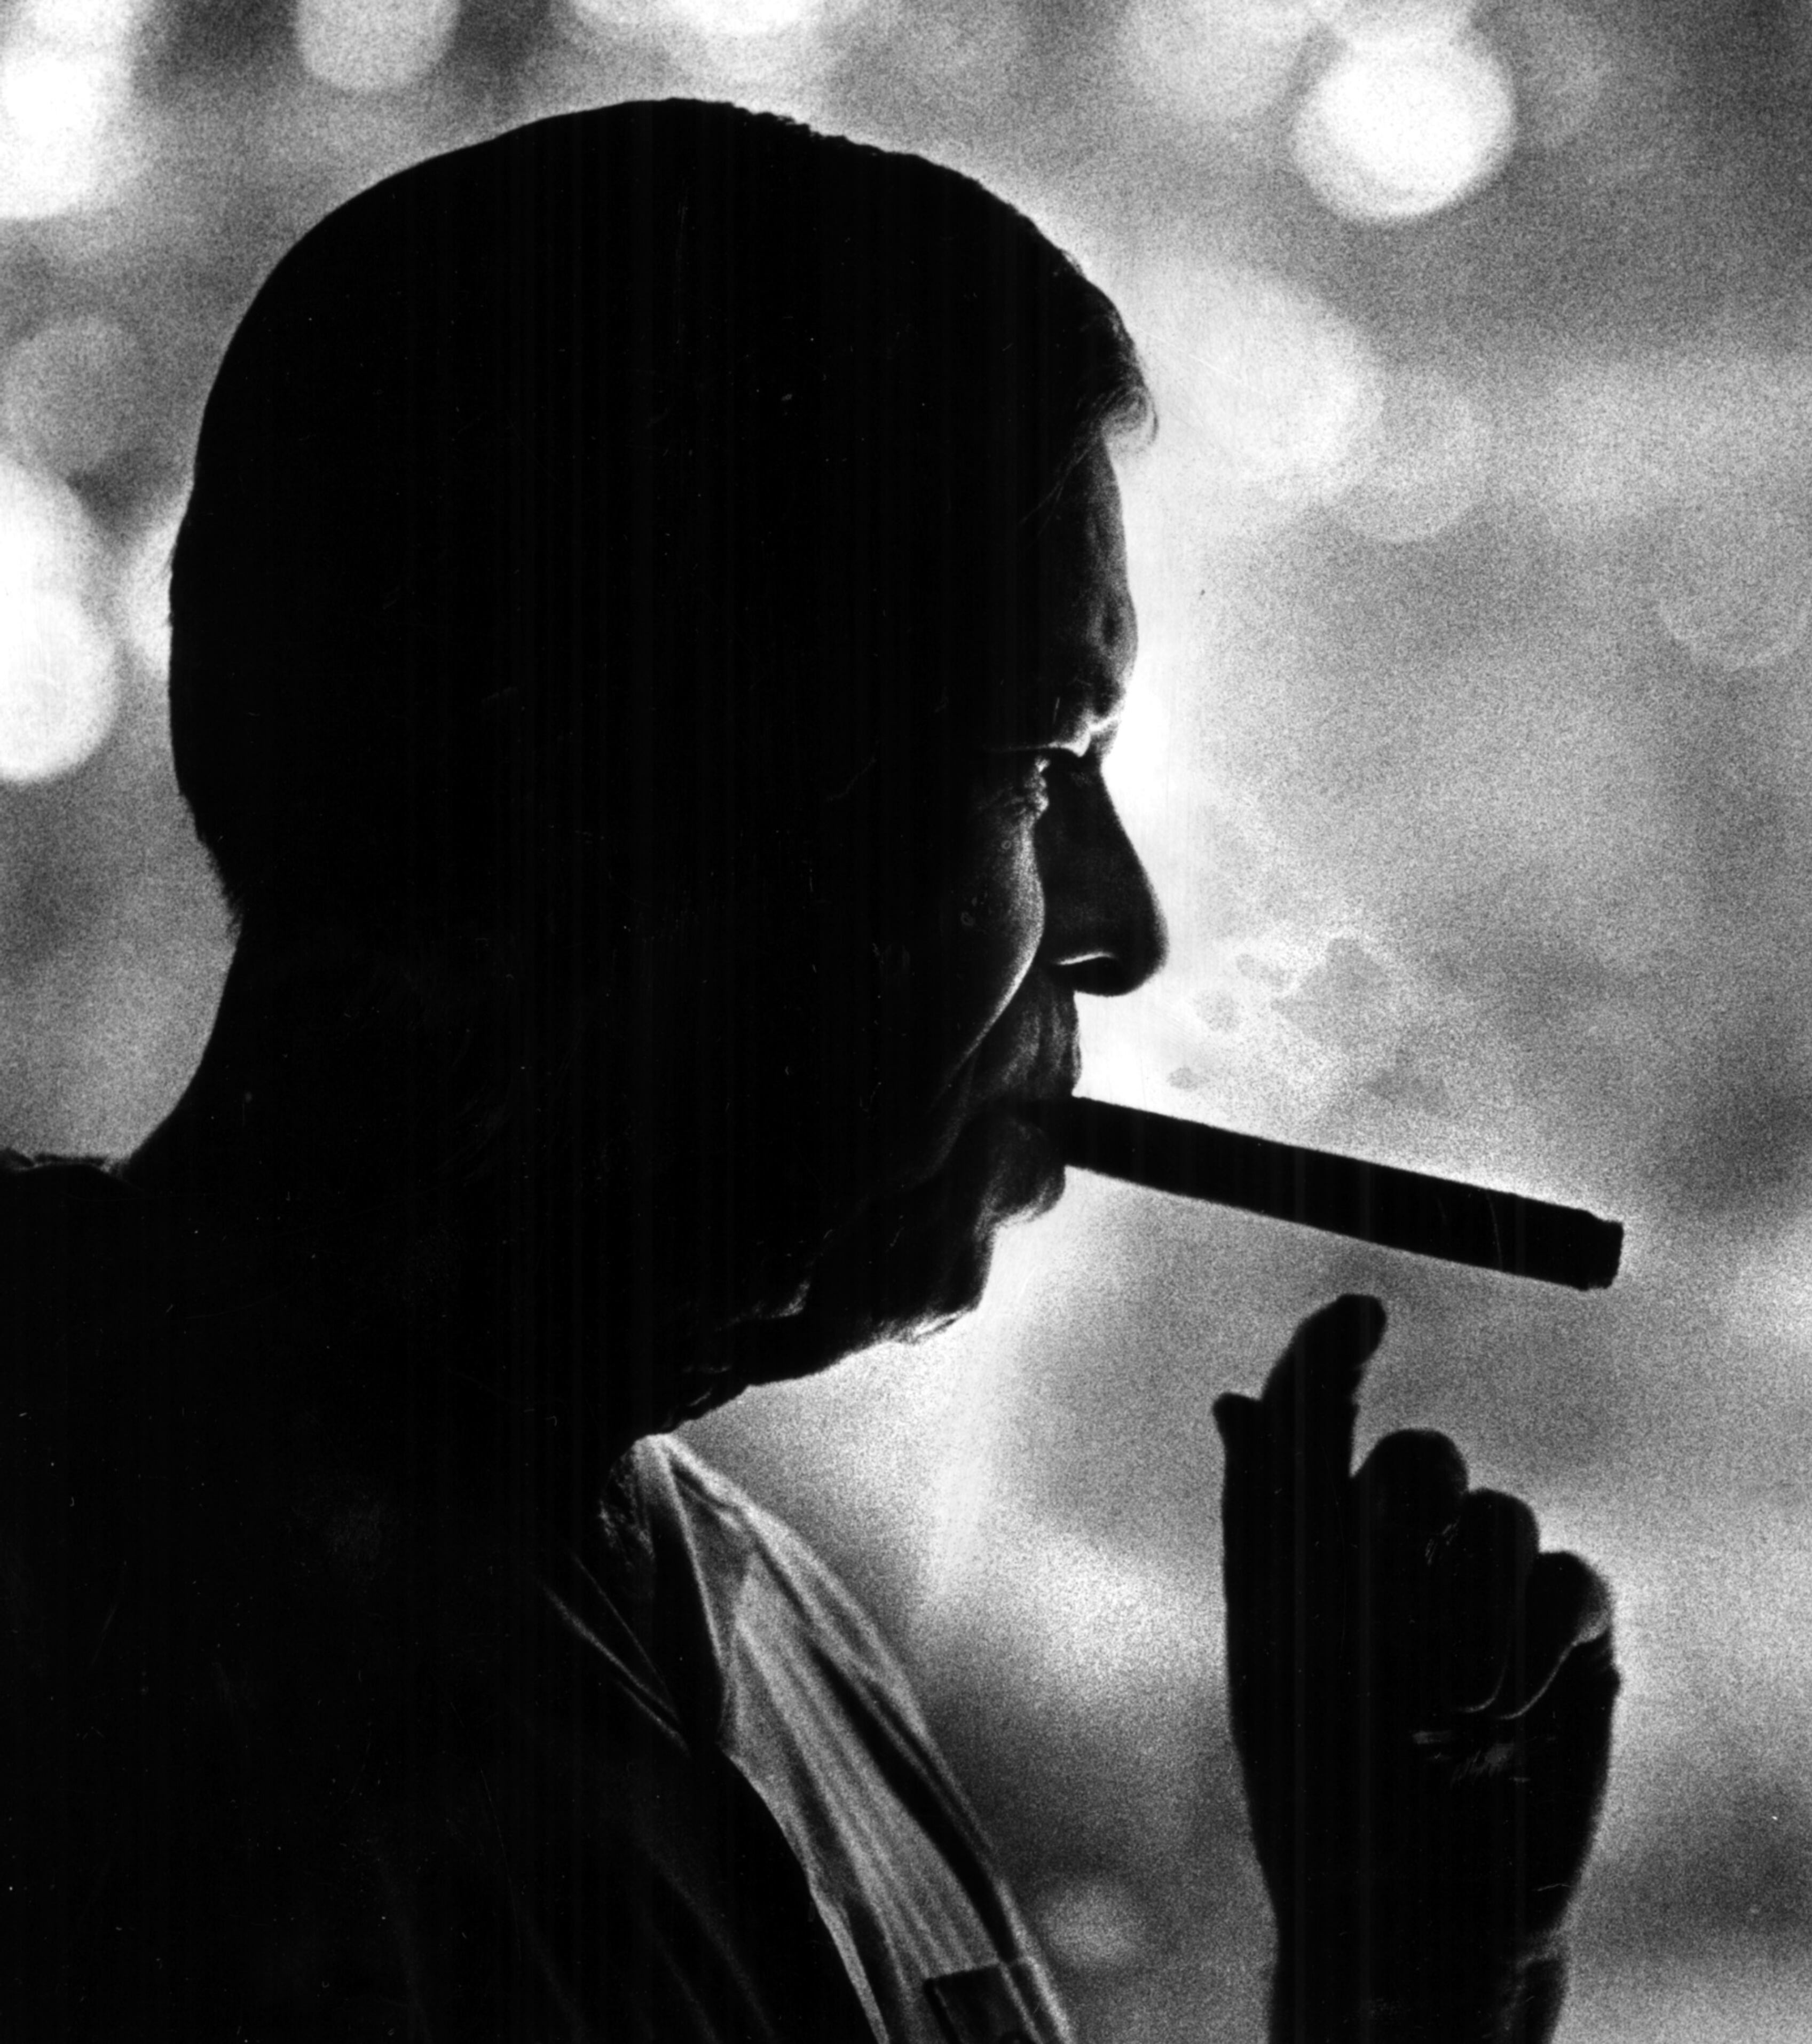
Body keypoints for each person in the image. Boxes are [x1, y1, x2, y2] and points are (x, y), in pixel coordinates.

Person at [0, 100, 1618, 2042]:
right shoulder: (100, 1661)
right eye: (1031, 761)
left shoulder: (763, 1631)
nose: (1118, 926)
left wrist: (1410, 1985)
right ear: (608, 808)